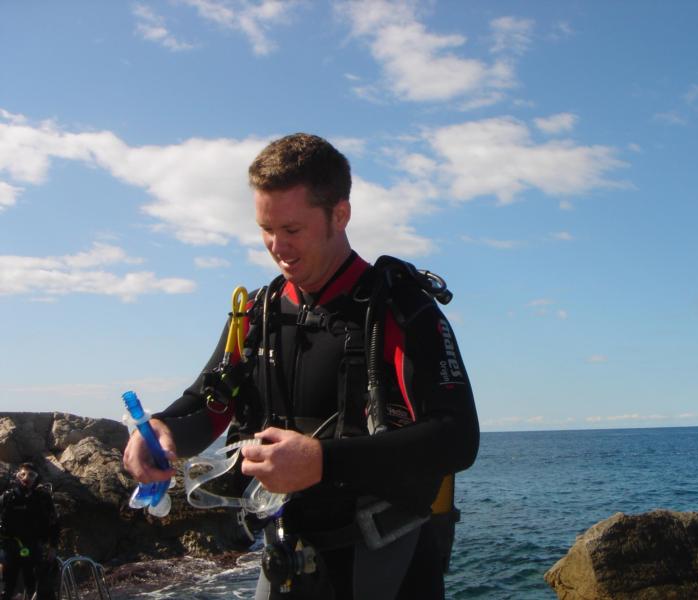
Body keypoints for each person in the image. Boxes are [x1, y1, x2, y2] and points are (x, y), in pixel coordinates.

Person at [123, 133, 480, 599]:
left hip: (388, 565)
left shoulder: (398, 310)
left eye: (292, 230)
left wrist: (321, 461)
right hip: (285, 558)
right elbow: (208, 404)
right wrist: (162, 431)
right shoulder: (257, 313)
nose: (277, 246)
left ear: (340, 214)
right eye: (265, 230)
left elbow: (457, 438)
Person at [0, 463, 59, 600]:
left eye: (31, 475)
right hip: (10, 547)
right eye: (23, 474)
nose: (27, 478)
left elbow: (54, 524)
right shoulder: (7, 498)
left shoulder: (43, 498)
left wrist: (53, 547)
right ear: (17, 476)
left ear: (37, 478)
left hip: (35, 547)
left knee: (41, 589)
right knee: (6, 589)